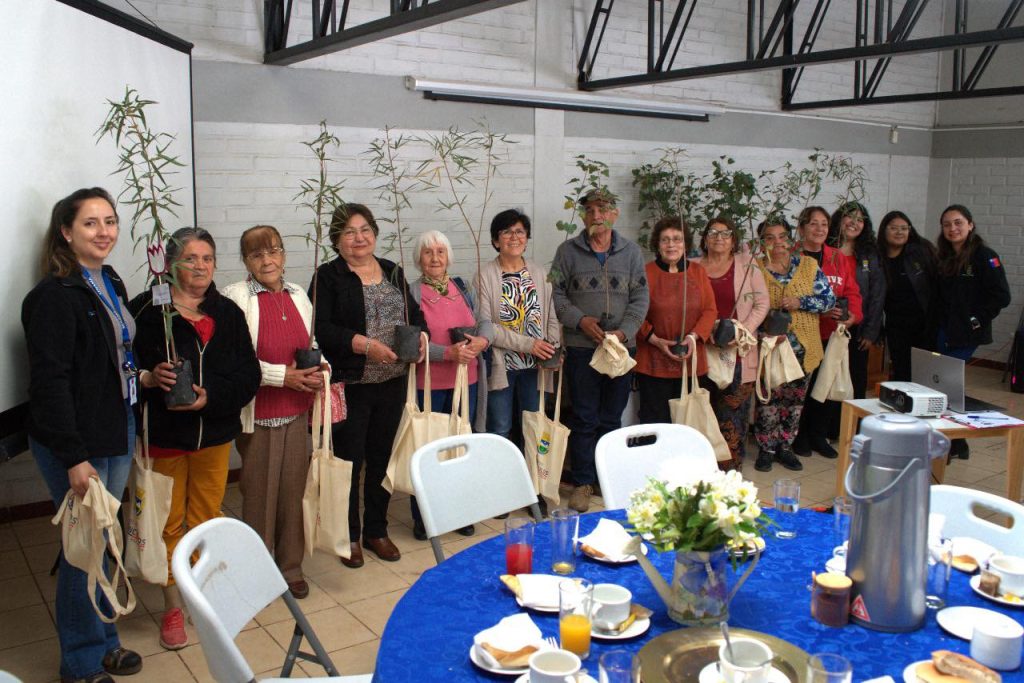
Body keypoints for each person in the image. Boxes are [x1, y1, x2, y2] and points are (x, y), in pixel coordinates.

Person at [22, 188, 143, 683]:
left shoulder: (110, 279)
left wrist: (143, 378)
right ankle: (79, 662)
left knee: (106, 541)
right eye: (90, 223)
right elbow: (49, 384)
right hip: (76, 439)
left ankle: (106, 641)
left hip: (116, 423)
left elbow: (114, 355)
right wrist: (73, 457)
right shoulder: (52, 297)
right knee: (83, 550)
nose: (104, 231)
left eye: (110, 221)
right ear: (66, 232)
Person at [131, 227, 260, 651]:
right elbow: (127, 369)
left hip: (214, 435)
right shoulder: (148, 311)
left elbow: (249, 374)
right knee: (168, 522)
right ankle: (172, 605)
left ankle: (202, 594)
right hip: (165, 437)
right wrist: (150, 378)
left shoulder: (227, 312)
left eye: (207, 258)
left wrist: (211, 397)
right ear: (170, 264)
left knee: (206, 516)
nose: (201, 266)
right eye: (191, 258)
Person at [312, 203, 426, 568]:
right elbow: (321, 328)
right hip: (352, 383)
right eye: (349, 232)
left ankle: (377, 530)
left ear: (374, 233)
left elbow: (415, 314)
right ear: (337, 240)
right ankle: (349, 534)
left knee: (382, 458)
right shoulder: (327, 276)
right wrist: (364, 345)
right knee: (350, 461)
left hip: (392, 381)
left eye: (364, 230)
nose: (358, 238)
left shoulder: (392, 270)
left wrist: (421, 339)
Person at [222, 225, 323, 600]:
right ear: (246, 261)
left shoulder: (297, 294)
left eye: (273, 251)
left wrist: (321, 369)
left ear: (283, 255)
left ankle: (290, 567)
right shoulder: (235, 297)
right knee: (260, 495)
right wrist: (284, 377)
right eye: (257, 254)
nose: (267, 260)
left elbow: (313, 343)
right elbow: (237, 361)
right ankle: (259, 571)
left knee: (293, 493)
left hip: (296, 412)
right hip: (259, 414)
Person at [551, 189, 649, 513]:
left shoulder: (631, 253)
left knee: (611, 417)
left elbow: (641, 298)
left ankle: (608, 478)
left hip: (620, 349)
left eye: (603, 209)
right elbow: (556, 295)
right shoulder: (567, 252)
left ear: (614, 214)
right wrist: (580, 321)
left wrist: (624, 332)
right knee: (584, 416)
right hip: (582, 348)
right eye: (590, 210)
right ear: (583, 216)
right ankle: (583, 482)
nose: (597, 215)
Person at [408, 229, 493, 540]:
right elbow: (410, 343)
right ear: (419, 258)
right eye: (428, 252)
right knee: (427, 449)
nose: (435, 258)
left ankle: (460, 511)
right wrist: (447, 353)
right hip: (428, 384)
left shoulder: (462, 287)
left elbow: (485, 322)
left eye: (440, 252)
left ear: (448, 257)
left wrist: (483, 341)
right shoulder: (412, 292)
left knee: (460, 448)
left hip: (466, 381)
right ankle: (425, 515)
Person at [753, 219, 835, 472]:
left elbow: (828, 300)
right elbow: (748, 307)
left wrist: (801, 302)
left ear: (790, 240)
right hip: (770, 349)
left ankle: (785, 447)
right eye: (769, 237)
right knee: (768, 400)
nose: (777, 242)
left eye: (782, 236)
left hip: (803, 348)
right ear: (761, 243)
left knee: (795, 402)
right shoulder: (755, 268)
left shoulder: (808, 265)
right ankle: (766, 449)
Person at [476, 209, 561, 445]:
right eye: (507, 232)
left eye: (520, 231)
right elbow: (487, 327)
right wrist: (529, 345)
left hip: (536, 364)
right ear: (496, 240)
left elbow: (551, 316)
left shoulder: (538, 272)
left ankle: (531, 469)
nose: (514, 237)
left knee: (533, 428)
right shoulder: (485, 276)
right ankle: (502, 470)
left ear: (526, 237)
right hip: (502, 364)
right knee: (500, 428)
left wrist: (553, 349)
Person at [935, 204, 1011, 460]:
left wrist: (976, 319)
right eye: (947, 224)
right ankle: (956, 442)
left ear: (970, 224)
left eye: (958, 223)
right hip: (944, 329)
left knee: (949, 383)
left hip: (966, 333)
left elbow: (1002, 296)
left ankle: (955, 441)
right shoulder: (944, 256)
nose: (953, 228)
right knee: (944, 384)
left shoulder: (985, 256)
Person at [693, 216, 769, 468]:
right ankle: (702, 471)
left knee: (732, 417)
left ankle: (729, 474)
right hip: (702, 350)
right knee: (702, 414)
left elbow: (762, 303)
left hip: (737, 352)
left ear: (733, 240)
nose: (719, 238)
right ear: (705, 239)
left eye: (725, 234)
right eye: (713, 232)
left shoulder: (747, 264)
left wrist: (740, 331)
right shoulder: (692, 266)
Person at [792, 205, 862, 460]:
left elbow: (852, 292)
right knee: (801, 389)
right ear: (802, 228)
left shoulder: (836, 257)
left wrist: (853, 315)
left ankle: (818, 436)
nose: (819, 229)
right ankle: (799, 436)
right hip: (801, 336)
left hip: (832, 336)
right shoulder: (792, 256)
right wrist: (819, 309)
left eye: (824, 224)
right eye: (813, 223)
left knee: (825, 387)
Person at [634, 216, 716, 424]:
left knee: (689, 424)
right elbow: (633, 312)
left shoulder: (698, 272)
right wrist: (654, 339)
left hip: (691, 359)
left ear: (685, 244)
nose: (671, 245)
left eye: (677, 239)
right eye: (665, 240)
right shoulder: (645, 273)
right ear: (657, 244)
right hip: (653, 361)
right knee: (656, 423)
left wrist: (693, 337)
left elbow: (710, 310)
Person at [832, 202, 886, 401]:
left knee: (855, 377)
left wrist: (871, 331)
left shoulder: (869, 253)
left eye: (860, 220)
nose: (854, 223)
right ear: (839, 219)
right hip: (828, 323)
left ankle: (851, 418)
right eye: (850, 217)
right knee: (828, 378)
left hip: (858, 327)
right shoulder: (827, 248)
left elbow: (877, 294)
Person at [876, 210, 937, 381]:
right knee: (901, 371)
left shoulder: (921, 251)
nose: (899, 232)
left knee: (924, 373)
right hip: (896, 325)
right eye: (894, 228)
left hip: (924, 324)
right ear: (884, 230)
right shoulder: (877, 256)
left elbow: (936, 285)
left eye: (904, 228)